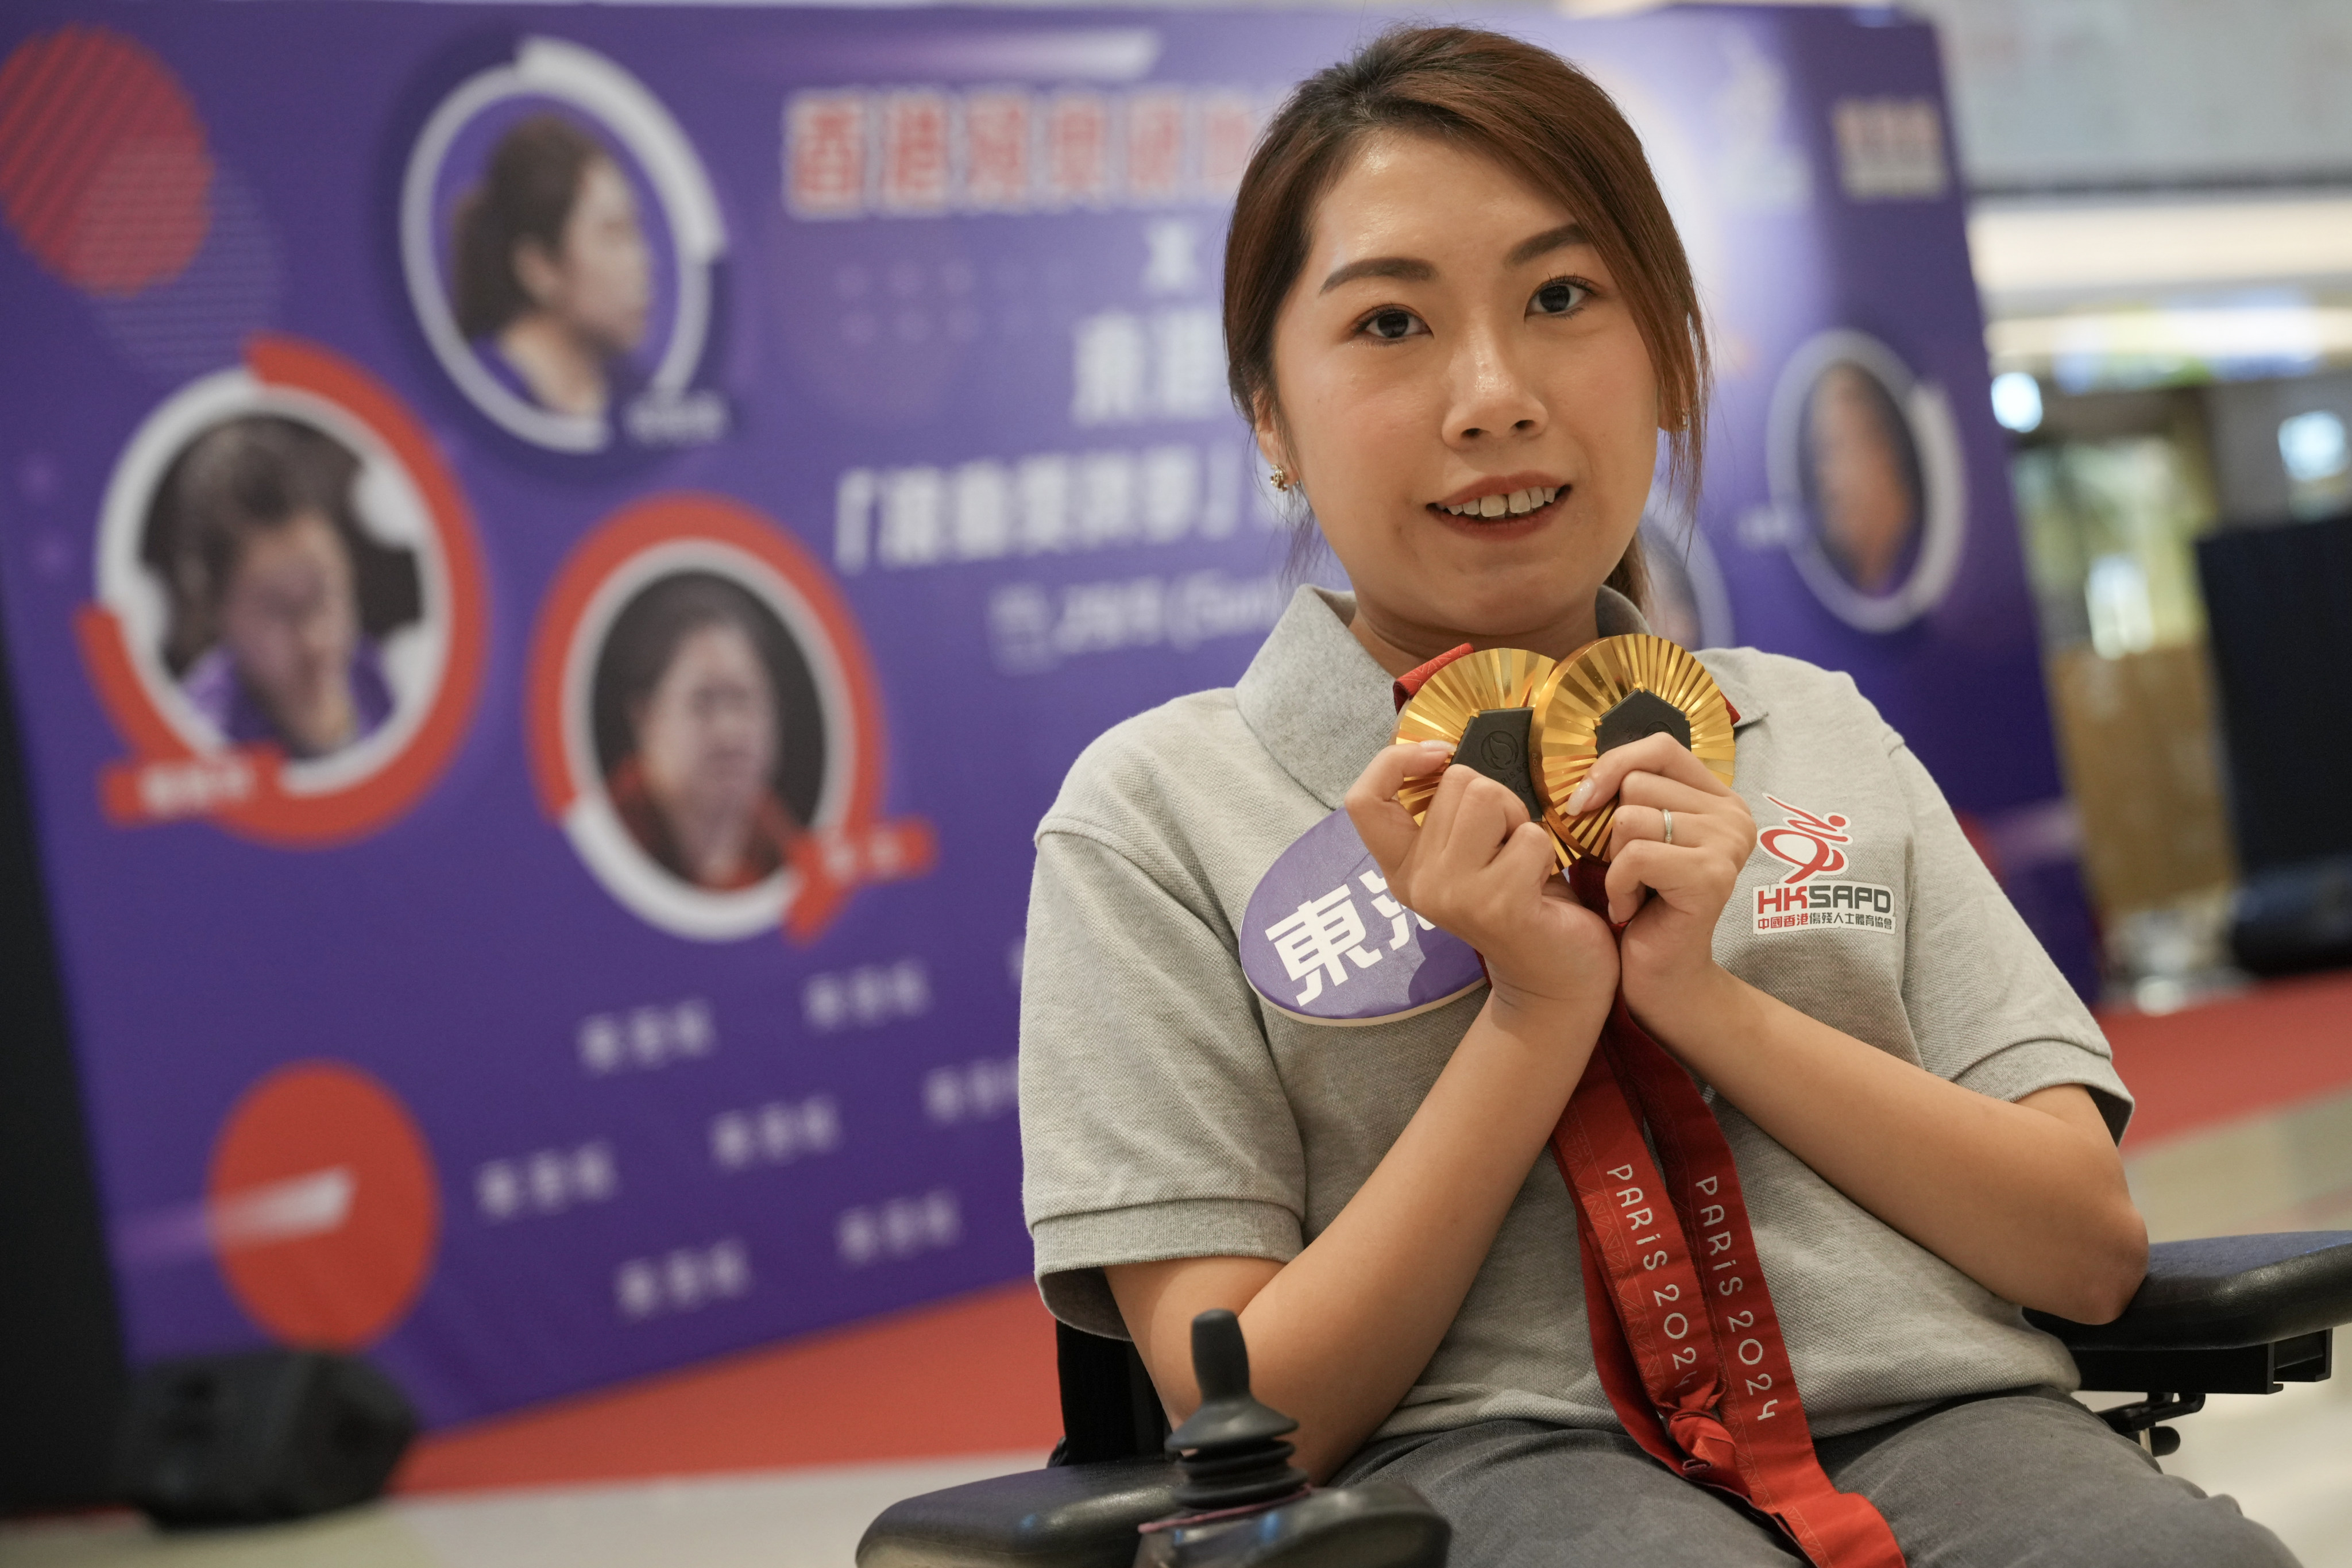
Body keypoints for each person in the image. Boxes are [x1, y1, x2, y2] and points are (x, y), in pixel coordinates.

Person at [1017, 28, 2293, 1568]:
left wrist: (1699, 998)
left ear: (1669, 355)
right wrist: (1532, 1016)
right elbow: (1249, 1412)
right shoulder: (1158, 815)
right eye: (1389, 322)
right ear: (1269, 416)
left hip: (1950, 1423)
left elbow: (2084, 1251)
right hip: (1480, 1476)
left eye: (1561, 298)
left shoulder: (1811, 728)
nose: (1493, 396)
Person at [146, 415, 407, 760]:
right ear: (217, 613)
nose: (315, 640)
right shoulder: (199, 742)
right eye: (277, 609)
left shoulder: (369, 671)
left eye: (324, 593)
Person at [598, 574, 800, 891]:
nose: (729, 731)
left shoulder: (789, 856)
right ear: (645, 719)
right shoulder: (603, 845)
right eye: (703, 701)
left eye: (743, 699)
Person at [449, 113, 651, 422]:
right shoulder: (470, 399)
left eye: (634, 231)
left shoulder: (640, 398)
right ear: (539, 269)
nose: (642, 261)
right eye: (614, 234)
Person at [1805, 360, 1922, 594]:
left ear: (1884, 450)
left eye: (1831, 448)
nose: (1820, 474)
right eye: (1817, 456)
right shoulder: (1848, 594)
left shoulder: (1926, 585)